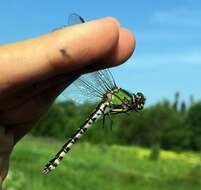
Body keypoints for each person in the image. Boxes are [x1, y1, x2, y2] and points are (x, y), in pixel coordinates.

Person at [0, 17, 135, 188]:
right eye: (134, 99)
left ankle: (52, 163)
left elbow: (117, 109)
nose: (135, 101)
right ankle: (53, 162)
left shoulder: (119, 98)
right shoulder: (117, 94)